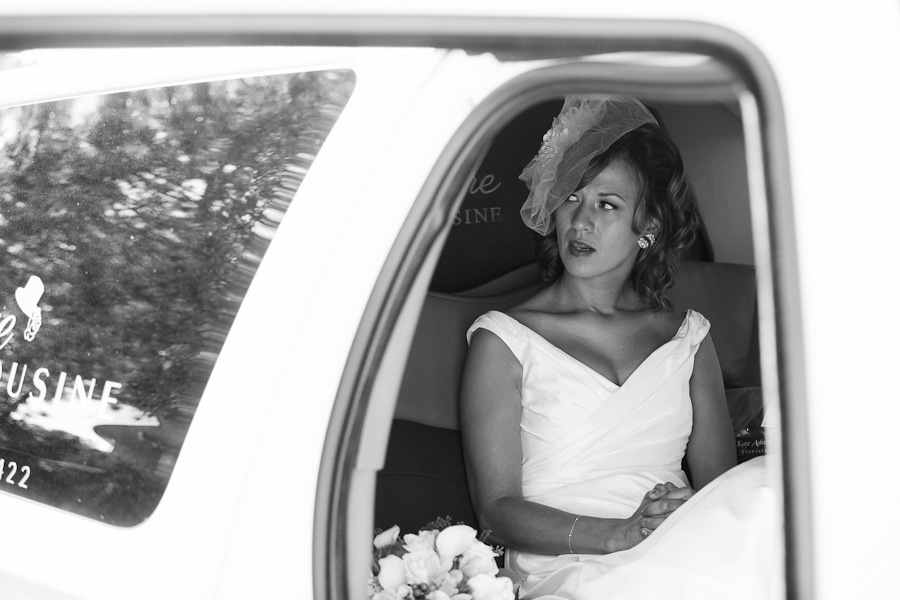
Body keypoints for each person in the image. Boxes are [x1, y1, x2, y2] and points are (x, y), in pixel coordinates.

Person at [459, 96, 775, 599]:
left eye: (607, 204)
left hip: (681, 546)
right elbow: (495, 513)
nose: (581, 222)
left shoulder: (688, 337)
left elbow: (719, 490)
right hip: (567, 564)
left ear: (647, 227)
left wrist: (679, 512)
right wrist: (617, 534)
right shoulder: (504, 340)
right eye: (572, 198)